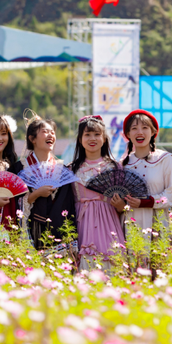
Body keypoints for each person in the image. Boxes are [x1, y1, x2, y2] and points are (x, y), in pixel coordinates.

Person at [14, 111, 76, 250]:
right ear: (32, 139)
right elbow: (12, 204)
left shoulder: (63, 169)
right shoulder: (18, 168)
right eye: (45, 132)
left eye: (52, 132)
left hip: (58, 233)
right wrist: (35, 194)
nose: (51, 135)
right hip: (29, 230)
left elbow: (67, 204)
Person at [70, 115, 125, 271]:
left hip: (108, 220)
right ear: (80, 139)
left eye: (96, 134)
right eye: (87, 134)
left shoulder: (115, 167)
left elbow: (124, 205)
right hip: (82, 221)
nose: (92, 138)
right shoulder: (71, 169)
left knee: (111, 262)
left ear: (104, 138)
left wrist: (121, 205)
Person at [121, 110, 172, 235]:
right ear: (128, 134)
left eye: (145, 127)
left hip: (157, 222)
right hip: (131, 223)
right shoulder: (123, 164)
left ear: (153, 132)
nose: (139, 132)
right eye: (134, 128)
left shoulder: (165, 159)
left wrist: (146, 202)